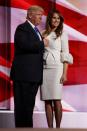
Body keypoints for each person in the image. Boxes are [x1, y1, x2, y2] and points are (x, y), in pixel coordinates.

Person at [10, 5, 44, 127]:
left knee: (29, 107)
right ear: (30, 15)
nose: (41, 18)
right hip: (23, 75)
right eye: (39, 15)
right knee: (22, 107)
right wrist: (42, 43)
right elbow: (25, 45)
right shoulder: (22, 28)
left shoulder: (36, 30)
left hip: (34, 76)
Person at [40, 9, 73, 128]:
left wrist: (64, 74)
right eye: (54, 18)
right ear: (50, 19)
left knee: (56, 99)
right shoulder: (43, 33)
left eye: (58, 18)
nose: (56, 20)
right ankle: (50, 128)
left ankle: (58, 128)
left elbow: (66, 54)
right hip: (44, 68)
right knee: (47, 100)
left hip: (57, 69)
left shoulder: (62, 33)